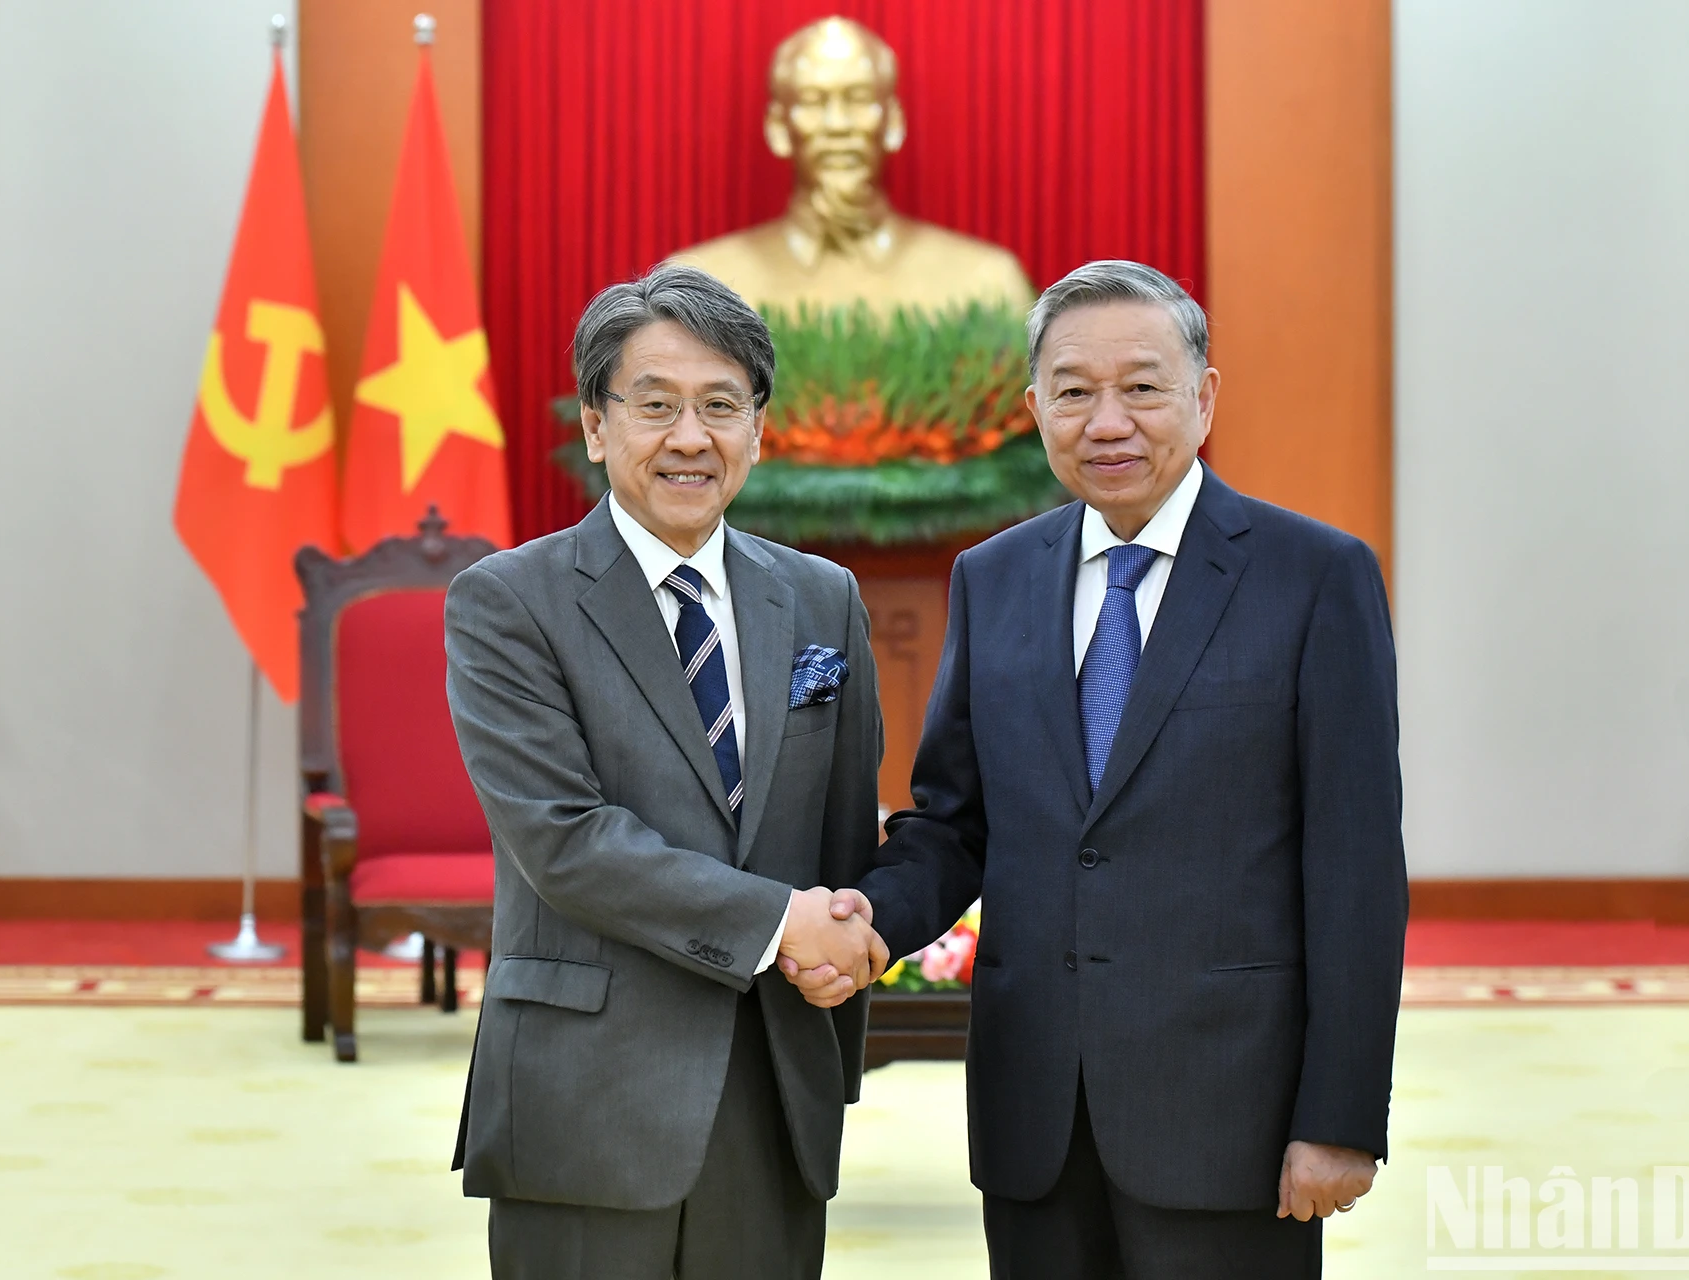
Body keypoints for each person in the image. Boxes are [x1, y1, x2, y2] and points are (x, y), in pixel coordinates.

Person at [786, 260, 1407, 1277]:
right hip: (1037, 1117)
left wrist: (1341, 1115)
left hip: (1230, 1118)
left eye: (1143, 387)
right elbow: (955, 823)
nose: (1106, 419)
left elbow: (1355, 866)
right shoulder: (995, 579)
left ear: (1204, 397)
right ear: (1035, 409)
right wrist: (868, 922)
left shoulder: (1315, 577)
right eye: (1074, 391)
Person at [446, 263, 889, 1280]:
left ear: (758, 429)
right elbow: (566, 839)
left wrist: (829, 1026)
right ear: (598, 426)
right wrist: (785, 924)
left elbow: (839, 835)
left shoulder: (822, 601)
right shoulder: (509, 603)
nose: (691, 437)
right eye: (656, 405)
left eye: (721, 406)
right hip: (586, 1097)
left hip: (774, 1090)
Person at [667, 16, 1034, 316]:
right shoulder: (699, 284)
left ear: (892, 122)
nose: (838, 125)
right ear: (778, 127)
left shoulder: (986, 284)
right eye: (813, 101)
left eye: (858, 99)